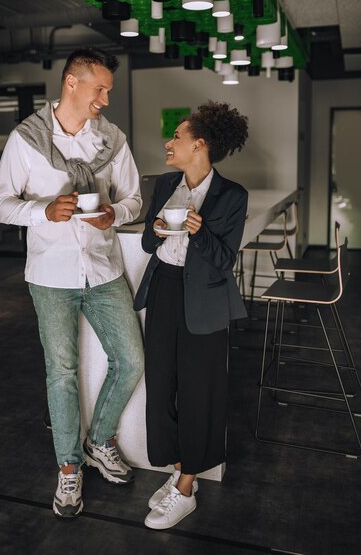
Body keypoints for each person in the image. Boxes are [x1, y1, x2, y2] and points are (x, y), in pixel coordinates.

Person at [0, 48, 144, 519]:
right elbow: (0, 205)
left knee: (132, 360)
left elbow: (135, 200)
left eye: (108, 91)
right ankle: (69, 469)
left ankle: (99, 441)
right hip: (51, 276)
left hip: (103, 269)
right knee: (62, 374)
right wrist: (43, 210)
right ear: (71, 84)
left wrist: (116, 214)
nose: (105, 99)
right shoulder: (25, 141)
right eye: (99, 89)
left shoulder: (112, 141)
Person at [134, 101, 249, 530]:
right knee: (161, 384)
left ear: (199, 144)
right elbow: (148, 243)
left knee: (201, 390)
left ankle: (185, 488)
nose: (169, 143)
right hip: (164, 288)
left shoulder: (232, 195)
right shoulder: (165, 184)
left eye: (177, 138)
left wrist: (198, 231)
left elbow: (224, 260)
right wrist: (157, 230)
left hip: (205, 300)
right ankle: (179, 468)